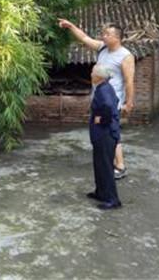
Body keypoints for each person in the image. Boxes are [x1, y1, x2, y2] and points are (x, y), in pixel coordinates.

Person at [58, 19, 134, 179]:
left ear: (117, 37)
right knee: (103, 133)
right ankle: (111, 163)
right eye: (104, 33)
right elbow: (84, 38)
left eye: (107, 34)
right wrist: (71, 26)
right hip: (99, 100)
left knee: (112, 133)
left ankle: (120, 166)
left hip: (112, 102)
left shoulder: (125, 56)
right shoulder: (102, 48)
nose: (103, 36)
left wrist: (129, 102)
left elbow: (129, 81)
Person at [88, 64, 122, 210]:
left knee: (106, 166)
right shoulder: (104, 87)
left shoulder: (104, 90)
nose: (91, 75)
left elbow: (108, 106)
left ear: (99, 76)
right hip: (102, 134)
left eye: (92, 72)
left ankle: (113, 200)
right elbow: (116, 102)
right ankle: (101, 192)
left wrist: (101, 119)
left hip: (105, 134)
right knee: (99, 164)